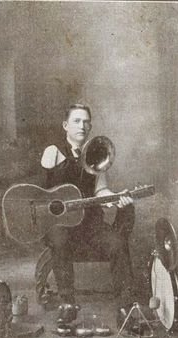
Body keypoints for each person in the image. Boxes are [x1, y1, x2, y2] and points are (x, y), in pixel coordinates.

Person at [40, 104, 136, 318]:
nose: (81, 125)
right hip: (61, 226)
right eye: (76, 121)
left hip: (90, 226)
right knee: (60, 239)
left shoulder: (96, 155)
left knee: (118, 243)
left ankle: (125, 307)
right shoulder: (52, 152)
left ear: (90, 126)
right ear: (65, 125)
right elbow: (42, 190)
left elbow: (101, 190)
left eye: (86, 121)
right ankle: (67, 304)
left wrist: (113, 200)